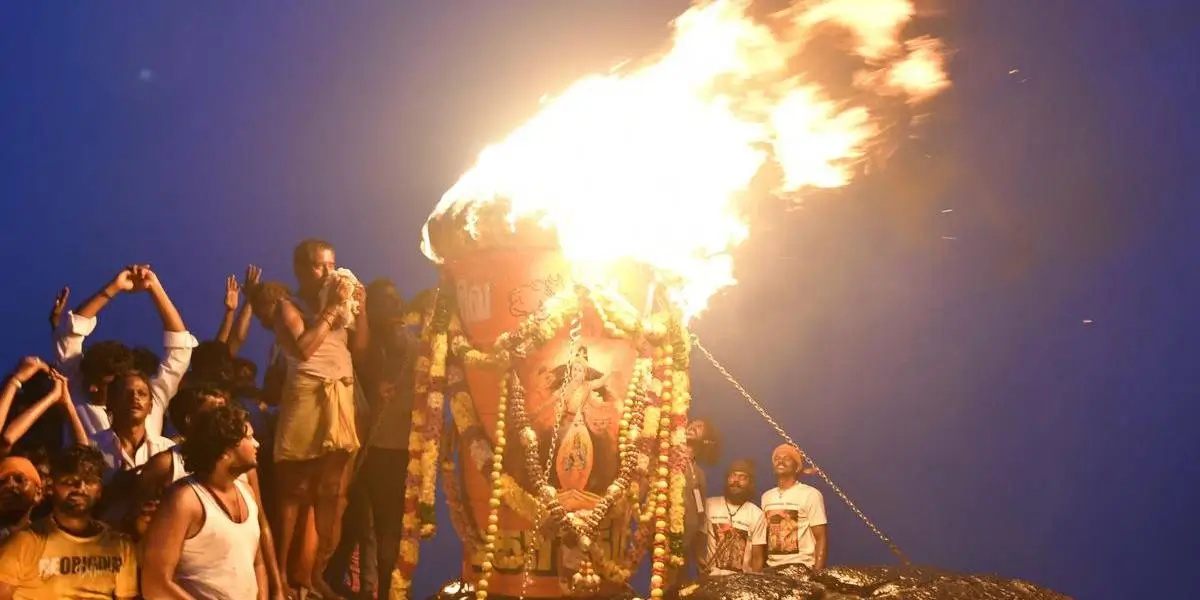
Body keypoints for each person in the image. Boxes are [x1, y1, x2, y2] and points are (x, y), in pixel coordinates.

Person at [270, 239, 367, 600]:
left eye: (332, 265)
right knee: (293, 492)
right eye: (319, 266)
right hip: (306, 395)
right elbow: (303, 348)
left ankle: (312, 574)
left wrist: (361, 308)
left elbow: (359, 349)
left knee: (329, 493)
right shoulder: (287, 306)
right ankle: (279, 574)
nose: (328, 273)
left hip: (340, 392)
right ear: (300, 268)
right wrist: (332, 310)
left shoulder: (341, 306)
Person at [55, 266, 198, 437]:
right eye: (90, 382)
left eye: (102, 385)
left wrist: (154, 287)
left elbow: (180, 349)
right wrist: (115, 287)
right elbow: (70, 334)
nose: (92, 389)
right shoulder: (78, 398)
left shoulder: (150, 403)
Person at [141, 405, 267, 599]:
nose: (257, 444)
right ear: (225, 450)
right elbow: (155, 582)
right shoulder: (184, 499)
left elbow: (257, 563)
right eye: (249, 438)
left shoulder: (247, 493)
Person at [0, 444, 139, 599]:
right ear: (51, 486)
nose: (80, 488)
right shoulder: (25, 543)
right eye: (69, 481)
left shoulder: (120, 545)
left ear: (100, 490)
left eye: (89, 481)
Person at [89, 370, 178, 525]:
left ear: (150, 407)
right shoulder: (92, 448)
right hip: (105, 540)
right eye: (126, 393)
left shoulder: (168, 449)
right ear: (110, 404)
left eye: (142, 394)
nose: (135, 398)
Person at [761, 444, 828, 572]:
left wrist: (818, 572)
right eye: (777, 458)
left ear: (797, 466)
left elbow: (821, 537)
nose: (780, 461)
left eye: (787, 458)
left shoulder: (811, 494)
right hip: (772, 569)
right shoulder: (766, 496)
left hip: (801, 567)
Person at [700, 459, 766, 577]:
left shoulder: (756, 513)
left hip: (741, 582)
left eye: (742, 477)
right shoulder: (710, 505)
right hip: (712, 579)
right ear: (727, 480)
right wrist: (699, 560)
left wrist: (755, 583)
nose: (736, 480)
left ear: (750, 483)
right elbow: (697, 537)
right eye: (733, 475)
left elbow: (757, 557)